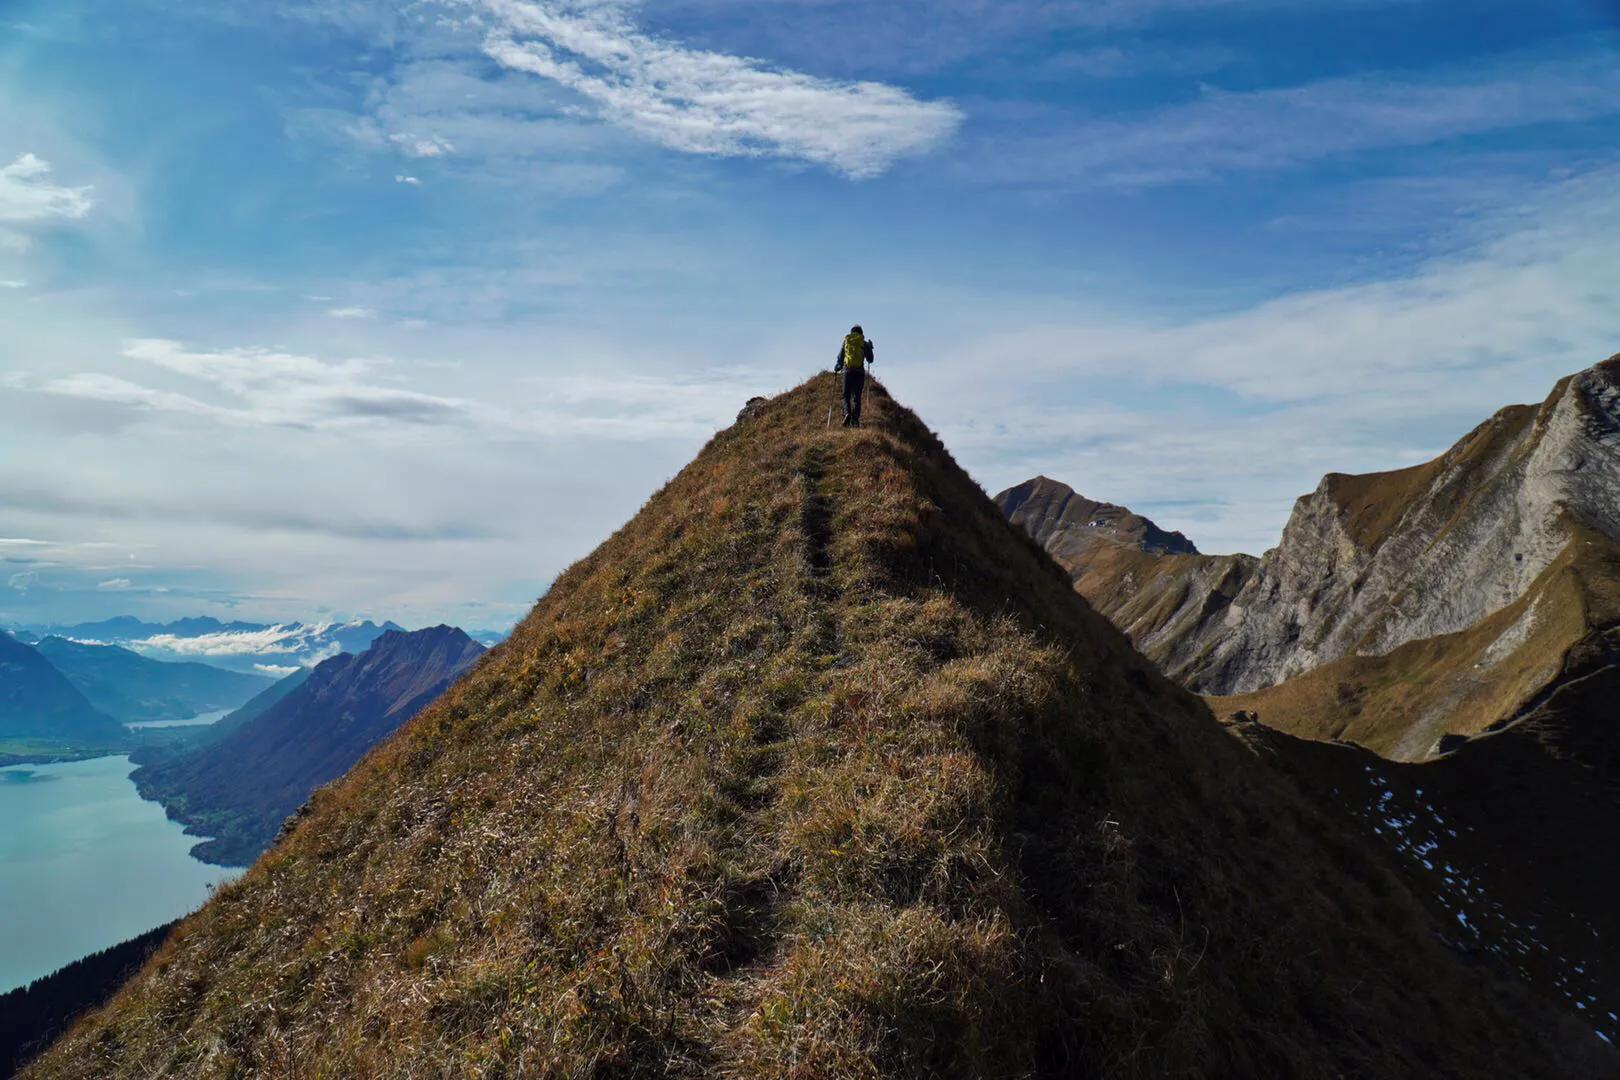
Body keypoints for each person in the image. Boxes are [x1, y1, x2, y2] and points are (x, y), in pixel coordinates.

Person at [833, 324, 875, 427]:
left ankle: (847, 413)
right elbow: (870, 359)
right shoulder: (863, 343)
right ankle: (855, 419)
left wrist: (837, 367)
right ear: (861, 333)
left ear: (851, 332)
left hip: (847, 371)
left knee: (846, 395)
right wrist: (870, 348)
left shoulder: (847, 341)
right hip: (859, 373)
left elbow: (840, 356)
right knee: (856, 397)